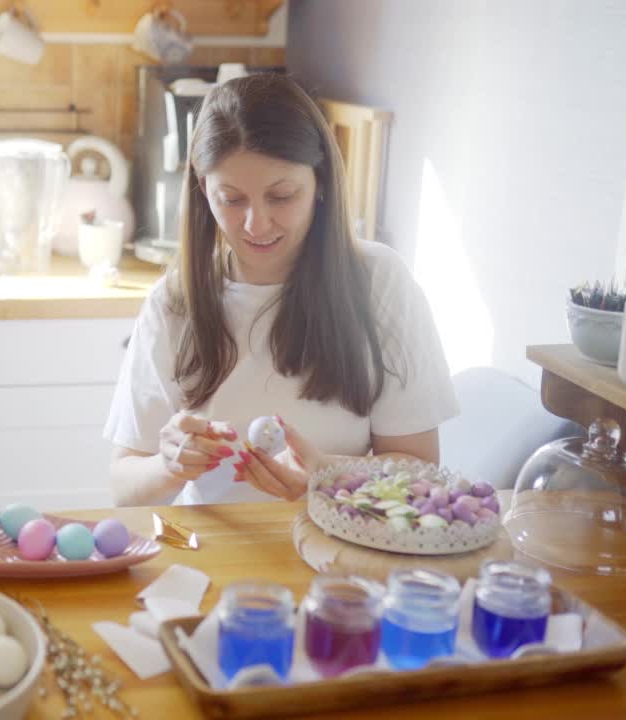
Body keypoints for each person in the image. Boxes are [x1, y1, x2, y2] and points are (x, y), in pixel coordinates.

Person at [105, 73, 458, 507]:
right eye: (231, 200)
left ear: (321, 183)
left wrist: (330, 475)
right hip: (211, 552)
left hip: (337, 547)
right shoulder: (176, 301)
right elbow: (123, 485)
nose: (256, 224)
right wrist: (168, 465)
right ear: (203, 190)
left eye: (282, 196)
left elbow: (423, 472)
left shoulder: (379, 283)